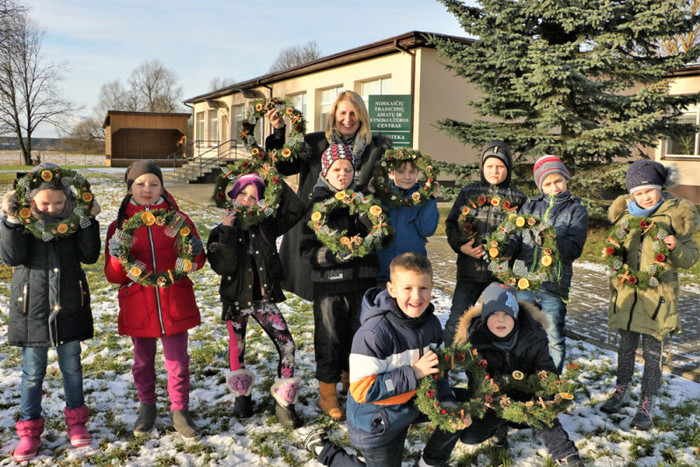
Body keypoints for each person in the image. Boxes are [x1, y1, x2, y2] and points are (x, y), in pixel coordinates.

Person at [304, 253, 455, 467]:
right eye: (407, 288)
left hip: (409, 405)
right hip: (376, 421)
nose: (416, 297)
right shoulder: (373, 334)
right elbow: (362, 390)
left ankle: (428, 463)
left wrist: (449, 406)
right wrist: (414, 373)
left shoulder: (431, 324)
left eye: (423, 288)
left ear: (432, 287)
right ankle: (325, 451)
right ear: (391, 289)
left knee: (464, 406)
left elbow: (438, 373)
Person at [418, 282, 584, 467]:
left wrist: (545, 393)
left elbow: (546, 369)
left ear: (515, 314)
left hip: (526, 397)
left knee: (544, 417)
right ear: (485, 315)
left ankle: (568, 456)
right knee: (470, 437)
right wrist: (486, 397)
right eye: (494, 314)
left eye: (506, 314)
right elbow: (475, 377)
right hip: (493, 400)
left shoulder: (533, 335)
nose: (500, 320)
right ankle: (499, 430)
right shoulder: (476, 339)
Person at [0, 164, 101, 462]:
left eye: (59, 203)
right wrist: (11, 221)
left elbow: (90, 255)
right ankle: (29, 431)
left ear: (68, 200)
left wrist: (87, 219)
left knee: (72, 367)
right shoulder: (22, 222)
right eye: (45, 203)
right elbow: (11, 256)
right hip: (32, 307)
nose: (52, 208)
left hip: (70, 305)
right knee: (32, 374)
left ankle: (77, 421)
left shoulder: (73, 221)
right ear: (32, 200)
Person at [104, 161, 206, 440]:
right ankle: (147, 406)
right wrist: (116, 254)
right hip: (139, 304)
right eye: (140, 184)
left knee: (177, 361)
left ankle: (180, 410)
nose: (146, 189)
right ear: (130, 187)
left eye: (153, 183)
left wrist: (196, 252)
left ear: (162, 187)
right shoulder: (119, 225)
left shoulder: (179, 221)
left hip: (173, 300)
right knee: (142, 362)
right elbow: (114, 276)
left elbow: (195, 263)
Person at [266, 90, 392, 302]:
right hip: (316, 234)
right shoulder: (314, 144)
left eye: (353, 113)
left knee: (354, 302)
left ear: (362, 116)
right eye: (342, 113)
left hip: (355, 236)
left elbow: (385, 188)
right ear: (333, 115)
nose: (347, 119)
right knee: (324, 304)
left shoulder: (375, 150)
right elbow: (284, 167)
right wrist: (279, 132)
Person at [600, 160, 699, 430]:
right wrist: (610, 255)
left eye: (649, 191)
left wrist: (676, 247)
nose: (644, 197)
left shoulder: (675, 215)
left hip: (658, 299)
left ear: (660, 187)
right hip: (628, 297)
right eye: (638, 192)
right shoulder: (625, 216)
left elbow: (691, 257)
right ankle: (621, 389)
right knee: (625, 347)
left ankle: (647, 401)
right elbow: (615, 246)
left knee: (653, 353)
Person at [206, 173, 305, 428]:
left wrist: (275, 178)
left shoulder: (266, 226)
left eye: (254, 197)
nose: (247, 200)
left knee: (287, 346)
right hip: (236, 302)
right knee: (237, 350)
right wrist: (227, 232)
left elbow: (296, 210)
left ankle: (284, 401)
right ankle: (242, 397)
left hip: (264, 301)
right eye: (243, 194)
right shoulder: (219, 233)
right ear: (233, 195)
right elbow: (224, 267)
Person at [299, 143, 383, 420]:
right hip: (329, 286)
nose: (343, 174)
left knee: (359, 336)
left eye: (348, 169)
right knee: (330, 338)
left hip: (362, 283)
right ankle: (327, 394)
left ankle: (354, 383)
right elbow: (307, 250)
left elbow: (383, 234)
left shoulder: (364, 201)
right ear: (326, 172)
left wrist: (369, 222)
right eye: (337, 169)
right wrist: (334, 254)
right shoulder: (317, 206)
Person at [507, 155, 588, 373]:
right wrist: (505, 249)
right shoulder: (528, 208)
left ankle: (550, 383)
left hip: (553, 285)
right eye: (548, 183)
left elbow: (573, 249)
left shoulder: (576, 211)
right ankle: (524, 379)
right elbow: (516, 237)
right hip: (525, 283)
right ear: (540, 185)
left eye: (558, 181)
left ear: (566, 180)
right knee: (524, 333)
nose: (554, 187)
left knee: (554, 336)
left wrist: (550, 239)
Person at [443, 141, 527, 344]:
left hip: (500, 274)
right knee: (457, 319)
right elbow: (452, 224)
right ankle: (448, 359)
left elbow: (523, 234)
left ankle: (490, 363)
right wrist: (461, 247)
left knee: (497, 322)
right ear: (482, 168)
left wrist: (509, 251)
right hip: (469, 271)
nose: (494, 171)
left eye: (500, 166)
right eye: (489, 166)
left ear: (508, 168)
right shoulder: (469, 193)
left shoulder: (519, 198)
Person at [375, 158, 439, 284]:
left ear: (418, 173)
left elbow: (427, 229)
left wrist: (431, 200)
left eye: (412, 172)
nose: (407, 177)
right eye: (401, 171)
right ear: (391, 173)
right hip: (384, 268)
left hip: (413, 268)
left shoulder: (422, 197)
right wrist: (373, 196)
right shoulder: (383, 196)